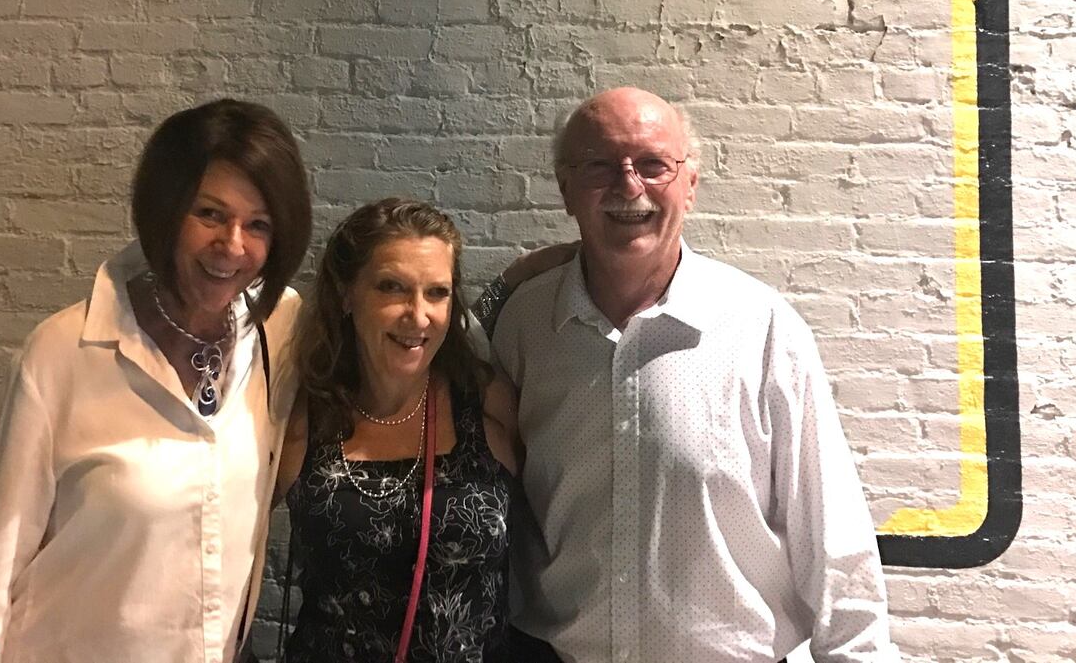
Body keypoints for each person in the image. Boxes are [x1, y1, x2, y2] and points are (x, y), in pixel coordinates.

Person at [490, 87, 899, 663]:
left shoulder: (762, 328)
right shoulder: (525, 327)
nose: (628, 186)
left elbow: (832, 534)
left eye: (653, 164)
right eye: (600, 166)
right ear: (565, 190)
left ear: (691, 185)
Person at [0, 98, 313, 663]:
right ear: (165, 211)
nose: (232, 246)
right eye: (210, 214)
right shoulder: (63, 354)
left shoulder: (279, 329)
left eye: (257, 224)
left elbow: (406, 329)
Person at [272, 198, 522, 663]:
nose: (419, 315)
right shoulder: (305, 418)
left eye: (437, 293)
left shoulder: (486, 406)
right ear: (347, 294)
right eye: (392, 288)